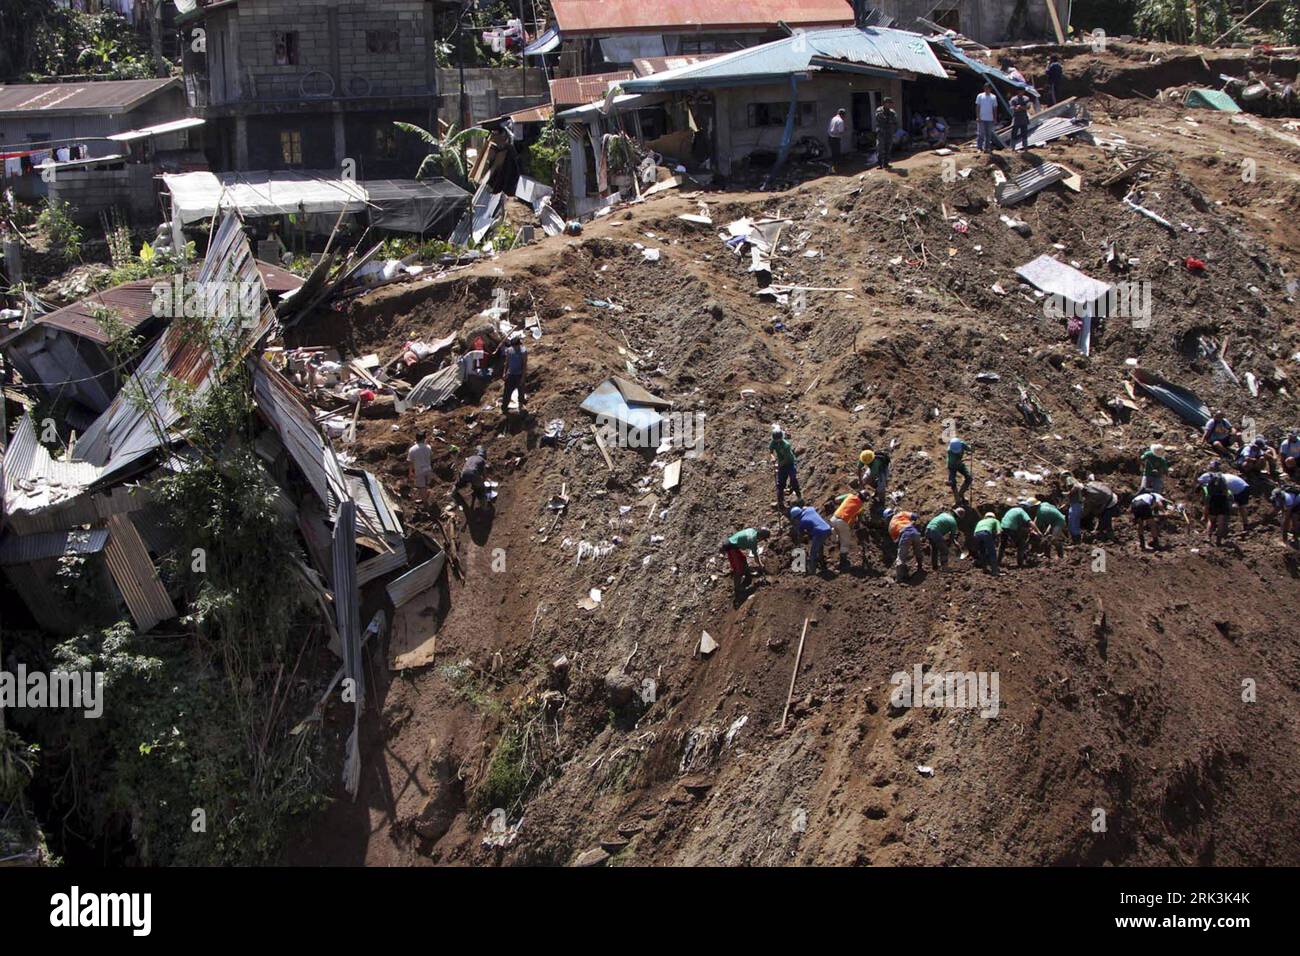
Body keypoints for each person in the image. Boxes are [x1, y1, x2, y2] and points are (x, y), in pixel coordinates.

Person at [721, 527, 770, 598]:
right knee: (739, 568)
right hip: (730, 546)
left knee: (743, 559)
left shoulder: (752, 530)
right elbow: (756, 557)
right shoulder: (753, 540)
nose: (761, 540)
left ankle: (748, 576)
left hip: (733, 544)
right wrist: (761, 565)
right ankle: (738, 589)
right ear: (761, 536)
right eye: (763, 539)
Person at [830, 488, 870, 569]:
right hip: (843, 522)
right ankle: (843, 562)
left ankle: (834, 540)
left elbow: (836, 499)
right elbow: (857, 519)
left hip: (834, 518)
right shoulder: (860, 507)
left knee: (838, 532)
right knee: (845, 542)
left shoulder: (849, 495)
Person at [1197, 461, 1233, 544]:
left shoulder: (1207, 475)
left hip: (1213, 499)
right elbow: (1225, 490)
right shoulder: (1222, 476)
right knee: (1221, 521)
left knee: (1211, 520)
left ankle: (1208, 537)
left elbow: (1198, 483)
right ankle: (1218, 540)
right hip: (1223, 499)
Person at [790, 505, 832, 574]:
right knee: (819, 546)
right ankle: (822, 564)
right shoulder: (810, 510)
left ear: (796, 517)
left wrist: (799, 544)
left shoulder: (802, 522)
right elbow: (807, 507)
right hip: (827, 528)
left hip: (819, 533)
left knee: (813, 553)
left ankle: (812, 572)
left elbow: (801, 535)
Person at [769, 424, 802, 511]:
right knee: (780, 484)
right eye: (775, 440)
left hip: (789, 463)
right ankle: (780, 502)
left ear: (781, 437)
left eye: (778, 439)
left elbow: (787, 460)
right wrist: (772, 457)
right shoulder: (774, 442)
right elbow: (771, 450)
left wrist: (778, 466)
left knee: (793, 479)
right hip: (781, 464)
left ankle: (799, 497)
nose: (776, 441)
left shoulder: (786, 445)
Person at [998, 503, 1039, 567]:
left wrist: (1028, 530)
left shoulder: (1012, 510)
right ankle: (1020, 563)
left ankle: (998, 561)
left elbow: (1018, 527)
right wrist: (1038, 531)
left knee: (1002, 545)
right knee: (1021, 544)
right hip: (1011, 528)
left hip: (1003, 526)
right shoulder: (1022, 512)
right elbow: (1030, 522)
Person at [452, 446, 490, 511]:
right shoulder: (482, 460)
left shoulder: (470, 457)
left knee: (459, 484)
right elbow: (484, 474)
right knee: (481, 490)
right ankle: (484, 507)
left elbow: (465, 465)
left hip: (464, 473)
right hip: (473, 474)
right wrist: (483, 481)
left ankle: (453, 493)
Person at [890, 511, 924, 581]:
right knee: (918, 551)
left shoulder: (890, 527)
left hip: (904, 534)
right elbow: (915, 516)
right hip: (915, 532)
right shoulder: (901, 513)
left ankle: (899, 578)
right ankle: (920, 567)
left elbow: (896, 541)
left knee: (901, 557)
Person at [499, 336, 528, 414]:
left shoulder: (523, 352)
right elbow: (507, 362)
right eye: (513, 346)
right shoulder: (509, 350)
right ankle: (504, 408)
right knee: (507, 392)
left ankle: (521, 405)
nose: (514, 348)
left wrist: (523, 377)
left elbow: (524, 365)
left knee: (521, 390)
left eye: (516, 346)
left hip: (519, 374)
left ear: (519, 345)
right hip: (510, 374)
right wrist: (504, 373)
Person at [407, 431, 434, 504]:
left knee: (421, 487)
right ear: (423, 439)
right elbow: (431, 457)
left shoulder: (412, 449)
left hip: (419, 470)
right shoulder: (428, 447)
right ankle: (425, 498)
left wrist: (410, 472)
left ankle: (425, 504)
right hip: (428, 469)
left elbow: (410, 462)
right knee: (426, 485)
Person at [874, 97, 899, 170]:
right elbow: (880, 118)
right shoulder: (879, 110)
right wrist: (888, 120)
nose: (889, 105)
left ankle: (886, 163)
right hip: (881, 132)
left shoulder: (892, 112)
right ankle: (880, 164)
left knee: (888, 148)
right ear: (884, 103)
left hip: (889, 132)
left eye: (890, 103)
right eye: (887, 103)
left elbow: (895, 120)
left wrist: (890, 123)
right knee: (880, 148)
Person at [975, 83, 1000, 154]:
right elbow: (978, 107)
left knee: (988, 134)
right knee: (980, 134)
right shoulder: (980, 96)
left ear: (990, 89)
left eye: (988, 88)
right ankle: (979, 148)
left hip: (990, 118)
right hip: (981, 118)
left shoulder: (993, 97)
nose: (986, 89)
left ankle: (987, 148)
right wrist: (978, 116)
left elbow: (995, 108)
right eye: (985, 88)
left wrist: (995, 118)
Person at [947, 436, 972, 501]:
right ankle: (957, 500)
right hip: (952, 466)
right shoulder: (950, 452)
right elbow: (956, 462)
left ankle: (961, 493)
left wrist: (971, 448)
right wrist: (965, 459)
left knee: (969, 478)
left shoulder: (961, 444)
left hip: (960, 464)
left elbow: (969, 448)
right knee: (953, 482)